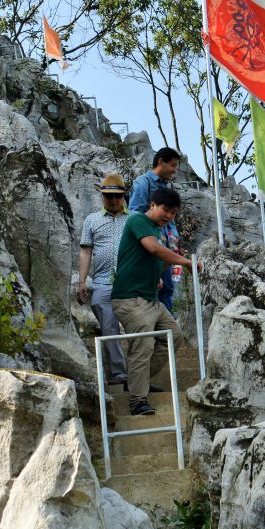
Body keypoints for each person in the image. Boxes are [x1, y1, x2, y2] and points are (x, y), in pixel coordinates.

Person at [111, 187, 193, 416]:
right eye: (166, 209)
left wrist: (161, 270)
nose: (169, 216)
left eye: (174, 213)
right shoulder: (138, 220)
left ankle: (139, 381)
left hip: (150, 300)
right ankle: (138, 400)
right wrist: (184, 261)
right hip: (130, 298)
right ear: (153, 205)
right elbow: (152, 249)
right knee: (143, 345)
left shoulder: (158, 232)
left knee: (173, 336)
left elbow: (156, 259)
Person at [77, 173, 130, 385]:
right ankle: (118, 373)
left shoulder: (134, 218)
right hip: (101, 282)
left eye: (118, 196)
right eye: (109, 196)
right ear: (102, 196)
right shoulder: (92, 220)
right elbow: (85, 252)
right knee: (109, 328)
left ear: (124, 196)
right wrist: (82, 282)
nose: (114, 200)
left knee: (138, 328)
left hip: (130, 283)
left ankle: (138, 373)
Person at [129, 147, 182, 312]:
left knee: (167, 288)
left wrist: (174, 242)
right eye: (173, 165)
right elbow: (135, 214)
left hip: (166, 248)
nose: (174, 170)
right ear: (160, 162)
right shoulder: (143, 182)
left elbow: (170, 222)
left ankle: (167, 332)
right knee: (152, 290)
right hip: (151, 247)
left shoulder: (166, 187)